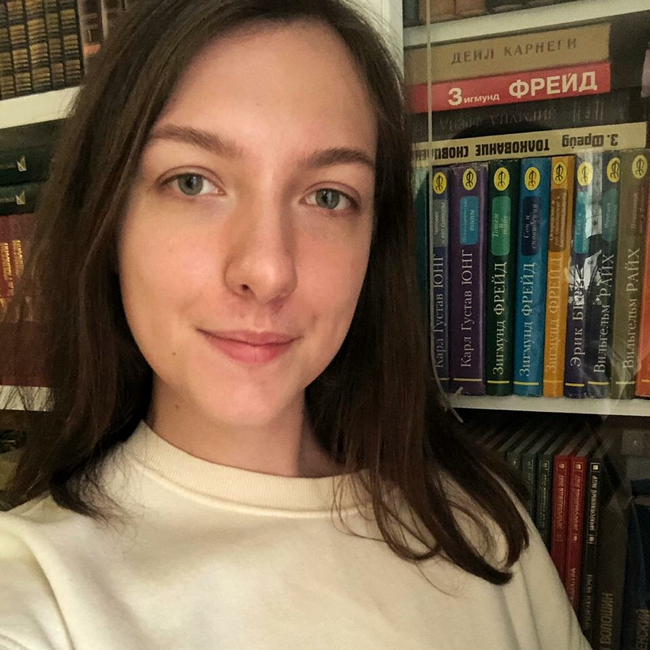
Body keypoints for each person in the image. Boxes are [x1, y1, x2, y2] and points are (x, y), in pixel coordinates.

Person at [0, 1, 591, 648]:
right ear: (108, 219)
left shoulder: (481, 526)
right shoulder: (37, 593)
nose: (268, 270)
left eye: (328, 196)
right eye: (192, 182)